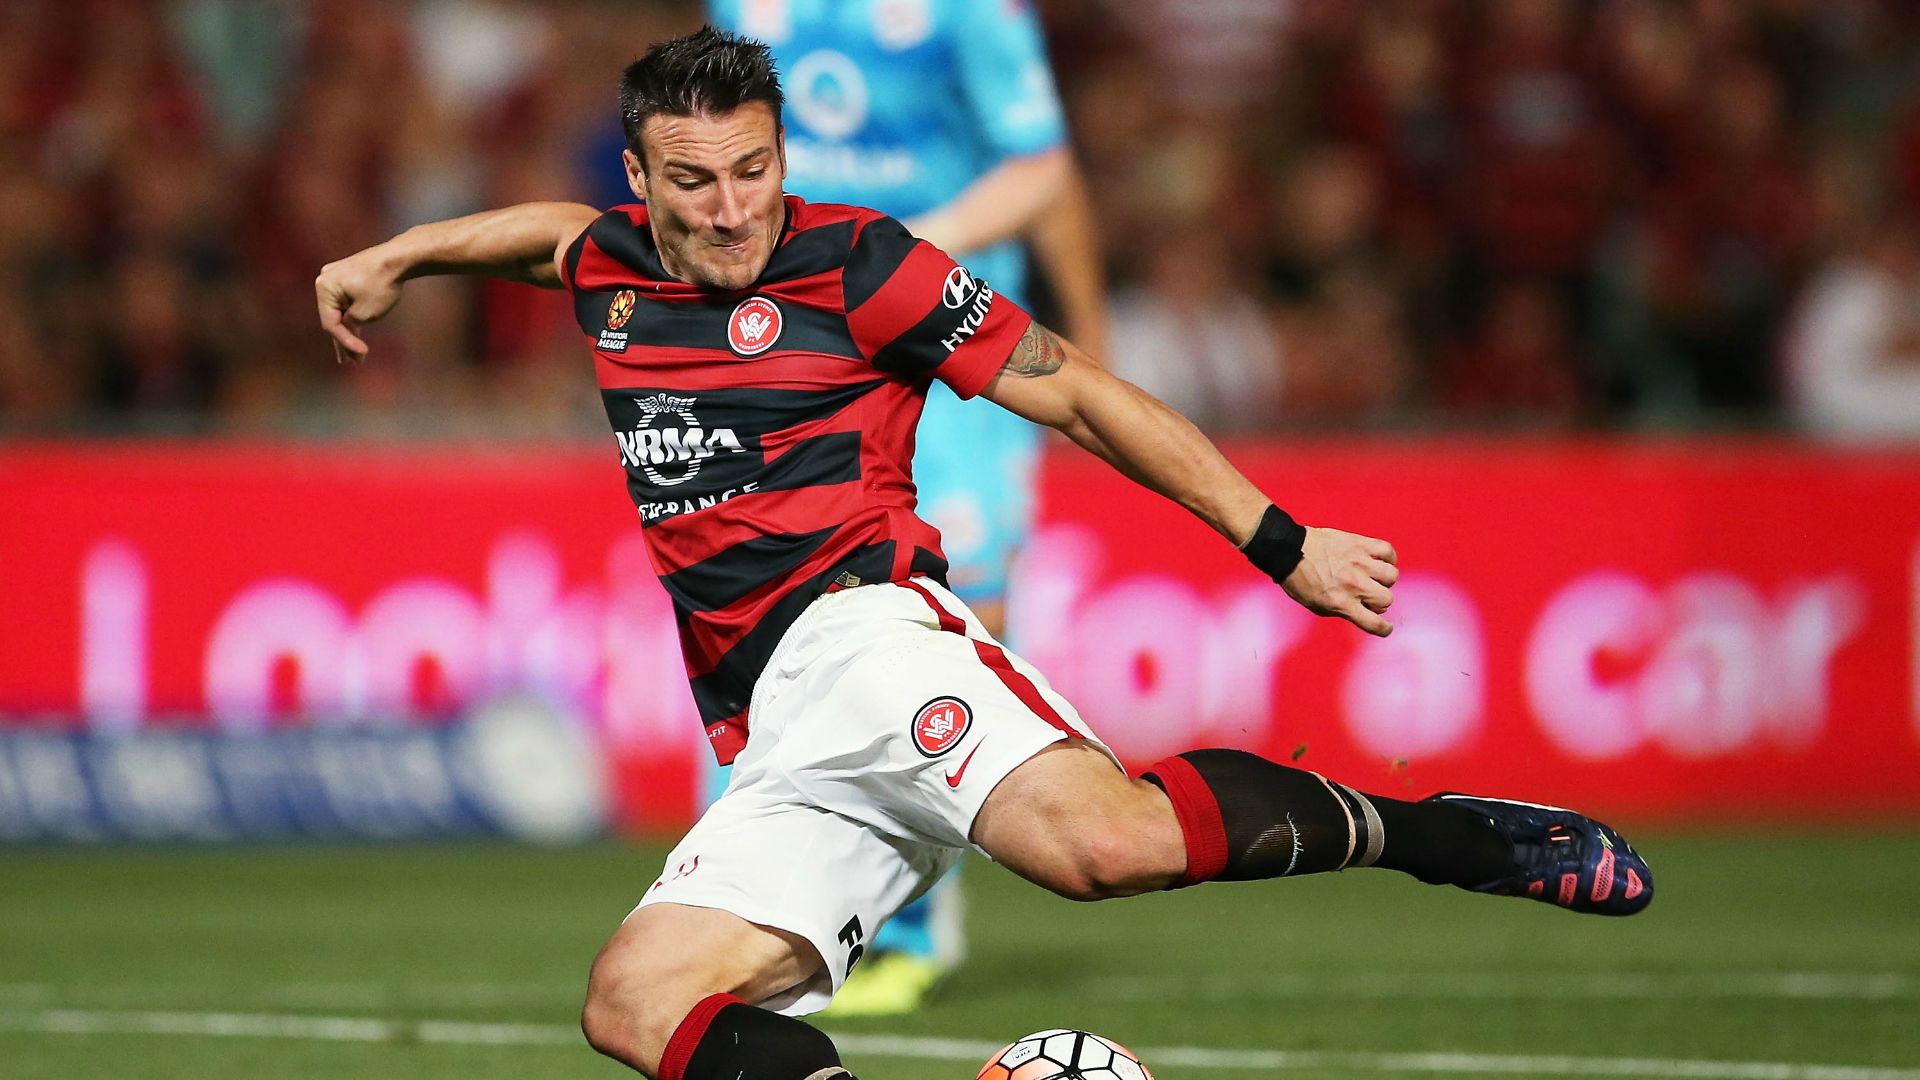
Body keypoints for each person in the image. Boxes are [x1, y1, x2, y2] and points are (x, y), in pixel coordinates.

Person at [315, 28, 1653, 1080]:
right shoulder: (614, 264)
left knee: (1099, 850)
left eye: (754, 170)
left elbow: (1076, 392)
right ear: (642, 183)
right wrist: (400, 255)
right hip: (772, 731)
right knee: (638, 1000)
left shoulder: (860, 265)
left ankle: (1437, 837)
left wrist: (1278, 536)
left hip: (867, 637)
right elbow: (540, 239)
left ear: (784, 153)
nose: (731, 211)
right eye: (694, 181)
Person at [703, 0, 1105, 1013]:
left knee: (959, 623)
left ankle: (910, 923)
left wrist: (921, 248)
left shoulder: (970, 12)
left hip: (949, 351)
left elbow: (1043, 170)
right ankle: (777, 921)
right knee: (779, 624)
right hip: (797, 358)